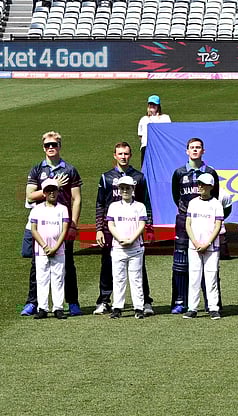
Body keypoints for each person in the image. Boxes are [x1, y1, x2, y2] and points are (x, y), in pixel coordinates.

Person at [22, 131, 83, 317]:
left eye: (54, 145)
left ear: (59, 146)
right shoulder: (36, 169)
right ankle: (33, 302)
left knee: (68, 263)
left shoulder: (70, 169)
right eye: (47, 145)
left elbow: (77, 199)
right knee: (37, 264)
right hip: (41, 223)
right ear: (43, 147)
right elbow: (30, 196)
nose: (50, 148)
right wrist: (52, 185)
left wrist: (73, 224)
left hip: (62, 222)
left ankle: (72, 302)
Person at [94, 141, 154, 315]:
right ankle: (105, 300)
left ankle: (145, 301)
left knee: (139, 267)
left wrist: (148, 228)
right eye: (120, 154)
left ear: (130, 155)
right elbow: (100, 204)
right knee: (107, 265)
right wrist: (99, 228)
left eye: (126, 154)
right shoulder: (106, 177)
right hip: (110, 227)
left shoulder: (139, 177)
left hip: (134, 226)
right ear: (115, 155)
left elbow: (146, 202)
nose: (123, 157)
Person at [169, 138, 221, 314]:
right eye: (192, 148)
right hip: (185, 221)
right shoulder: (179, 173)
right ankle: (180, 301)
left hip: (206, 221)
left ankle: (211, 304)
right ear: (187, 151)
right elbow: (176, 195)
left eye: (198, 148)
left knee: (210, 266)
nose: (195, 150)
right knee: (181, 263)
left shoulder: (211, 173)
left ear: (203, 151)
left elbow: (216, 196)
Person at [106, 175, 148, 319]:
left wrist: (131, 239)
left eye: (127, 188)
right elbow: (111, 225)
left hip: (135, 248)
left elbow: (142, 225)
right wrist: (120, 239)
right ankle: (117, 307)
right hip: (118, 248)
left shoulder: (139, 206)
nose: (125, 191)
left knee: (136, 278)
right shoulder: (113, 206)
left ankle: (139, 307)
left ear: (133, 189)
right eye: (122, 188)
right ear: (119, 190)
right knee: (118, 278)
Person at [184, 174, 224, 320]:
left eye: (204, 184)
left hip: (211, 247)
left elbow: (217, 226)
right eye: (199, 184)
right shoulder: (193, 202)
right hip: (194, 246)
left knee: (211, 277)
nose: (200, 186)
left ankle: (213, 308)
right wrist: (195, 242)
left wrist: (207, 243)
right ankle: (192, 308)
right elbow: (188, 224)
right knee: (194, 277)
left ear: (211, 187)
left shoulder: (216, 204)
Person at [29, 179, 70, 320]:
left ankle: (58, 308)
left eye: (54, 190)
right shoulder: (37, 209)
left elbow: (64, 230)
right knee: (42, 279)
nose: (52, 193)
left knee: (58, 278)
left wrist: (56, 247)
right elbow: (34, 230)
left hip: (58, 249)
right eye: (48, 190)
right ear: (44, 193)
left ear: (58, 191)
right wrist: (45, 246)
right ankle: (43, 308)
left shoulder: (63, 209)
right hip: (41, 250)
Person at [137, 95, 172, 163]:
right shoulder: (143, 119)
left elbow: (168, 132)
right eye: (150, 104)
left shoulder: (165, 118)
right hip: (146, 147)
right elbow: (140, 136)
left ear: (158, 106)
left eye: (154, 104)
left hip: (160, 147)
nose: (152, 106)